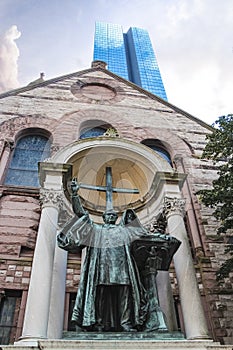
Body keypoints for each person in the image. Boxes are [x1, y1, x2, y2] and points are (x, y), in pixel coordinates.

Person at [57, 179, 148, 332]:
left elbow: (142, 235)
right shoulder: (95, 229)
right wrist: (74, 195)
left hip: (122, 267)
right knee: (99, 295)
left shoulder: (124, 230)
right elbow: (81, 214)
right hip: (101, 267)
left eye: (113, 215)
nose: (111, 216)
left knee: (125, 293)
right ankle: (97, 323)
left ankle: (126, 323)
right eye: (108, 214)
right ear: (104, 217)